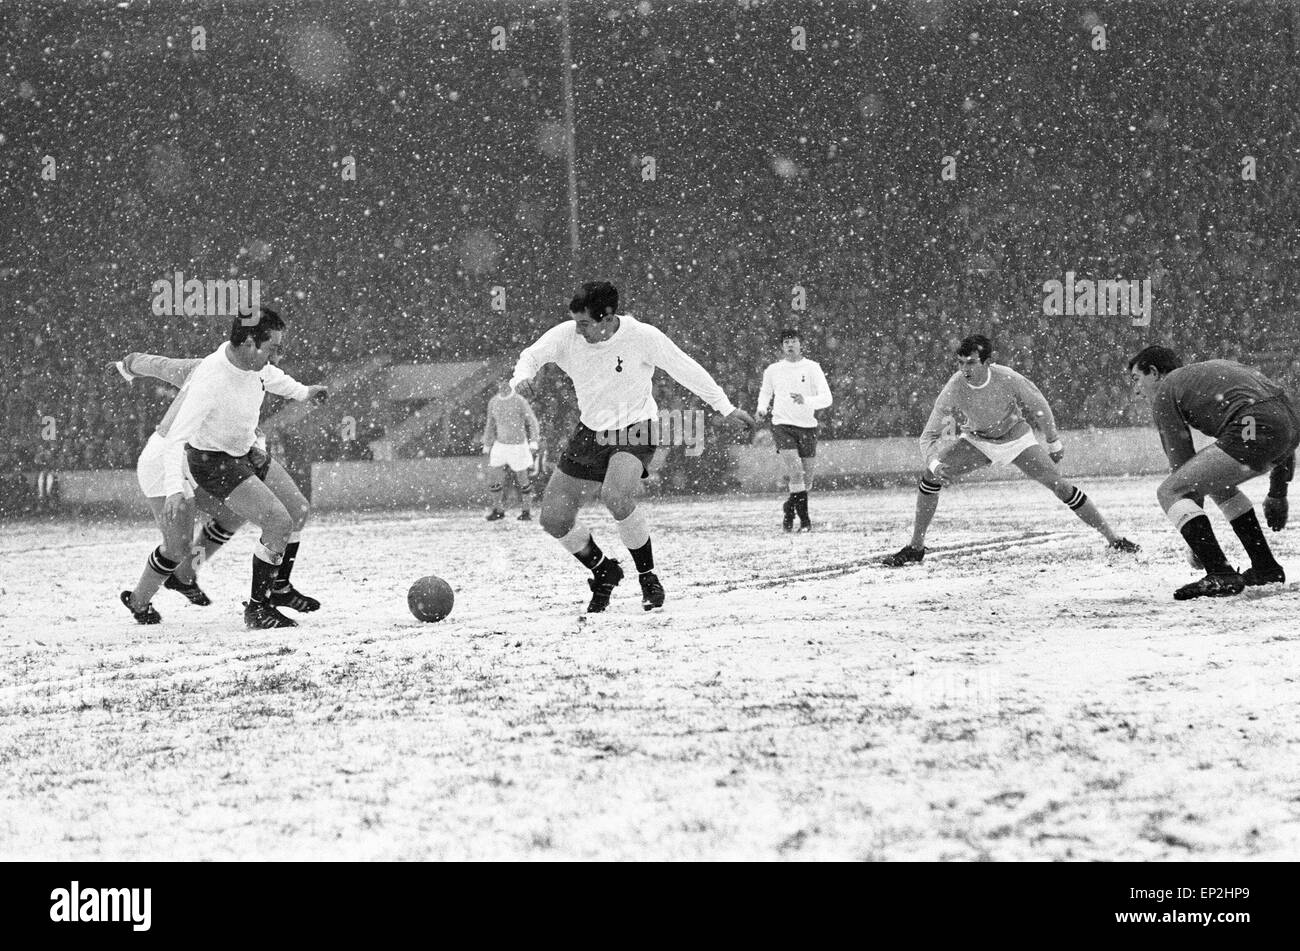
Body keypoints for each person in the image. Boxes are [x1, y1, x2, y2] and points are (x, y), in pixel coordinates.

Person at [510, 281, 754, 612]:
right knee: (552, 518)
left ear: (607, 318)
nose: (578, 330)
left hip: (635, 428)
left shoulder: (642, 337)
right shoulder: (568, 334)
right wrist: (521, 376)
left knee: (616, 495)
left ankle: (648, 577)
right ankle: (603, 570)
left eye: (585, 323)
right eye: (576, 322)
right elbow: (532, 355)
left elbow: (685, 368)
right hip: (592, 431)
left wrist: (724, 407)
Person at [882, 334, 1138, 566]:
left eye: (970, 363)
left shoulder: (1007, 377)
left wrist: (1053, 441)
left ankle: (1113, 537)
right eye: (960, 363)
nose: (964, 369)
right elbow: (928, 435)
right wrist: (935, 465)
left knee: (1061, 487)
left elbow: (1038, 403)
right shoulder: (954, 387)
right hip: (978, 441)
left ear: (987, 362)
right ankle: (916, 547)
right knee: (929, 478)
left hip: (1017, 440)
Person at [160, 308, 328, 628]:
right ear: (250, 343)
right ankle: (257, 609)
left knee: (298, 511)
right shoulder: (210, 380)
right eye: (273, 348)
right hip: (213, 462)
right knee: (278, 522)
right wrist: (172, 490)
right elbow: (175, 439)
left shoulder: (255, 364)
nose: (276, 357)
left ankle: (279, 587)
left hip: (246, 451)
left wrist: (306, 392)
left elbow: (274, 378)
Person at [1128, 345, 1296, 600]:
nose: (1137, 390)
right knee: (1217, 484)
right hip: (1290, 422)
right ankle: (1265, 567)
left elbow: (1181, 471)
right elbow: (1277, 416)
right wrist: (1277, 493)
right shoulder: (1208, 373)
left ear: (1153, 372)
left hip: (1254, 424)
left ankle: (1220, 573)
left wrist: (1197, 543)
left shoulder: (1166, 390)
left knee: (1170, 491)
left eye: (1136, 379)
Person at [114, 352, 246, 624]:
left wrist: (124, 366)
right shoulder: (208, 371)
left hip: (194, 461)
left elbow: (155, 364)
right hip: (163, 460)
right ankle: (138, 601)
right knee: (177, 546)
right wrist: (124, 367)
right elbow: (157, 364)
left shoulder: (240, 379)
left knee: (232, 515)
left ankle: (185, 576)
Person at [755, 329, 832, 531]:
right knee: (795, 471)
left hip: (807, 426)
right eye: (786, 342)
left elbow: (827, 398)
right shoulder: (773, 370)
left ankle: (789, 507)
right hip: (782, 424)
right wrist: (761, 408)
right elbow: (765, 392)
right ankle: (805, 522)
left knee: (807, 481)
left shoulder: (813, 368)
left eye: (794, 341)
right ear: (782, 346)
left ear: (801, 344)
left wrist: (806, 400)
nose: (790, 345)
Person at [481, 380, 540, 521]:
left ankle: (526, 511)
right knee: (493, 476)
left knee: (522, 478)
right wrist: (487, 443)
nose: (503, 386)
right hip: (500, 445)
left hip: (518, 445)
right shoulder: (494, 402)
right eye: (500, 383)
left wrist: (534, 441)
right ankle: (498, 509)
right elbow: (490, 423)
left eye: (506, 383)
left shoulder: (519, 401)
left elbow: (532, 421)